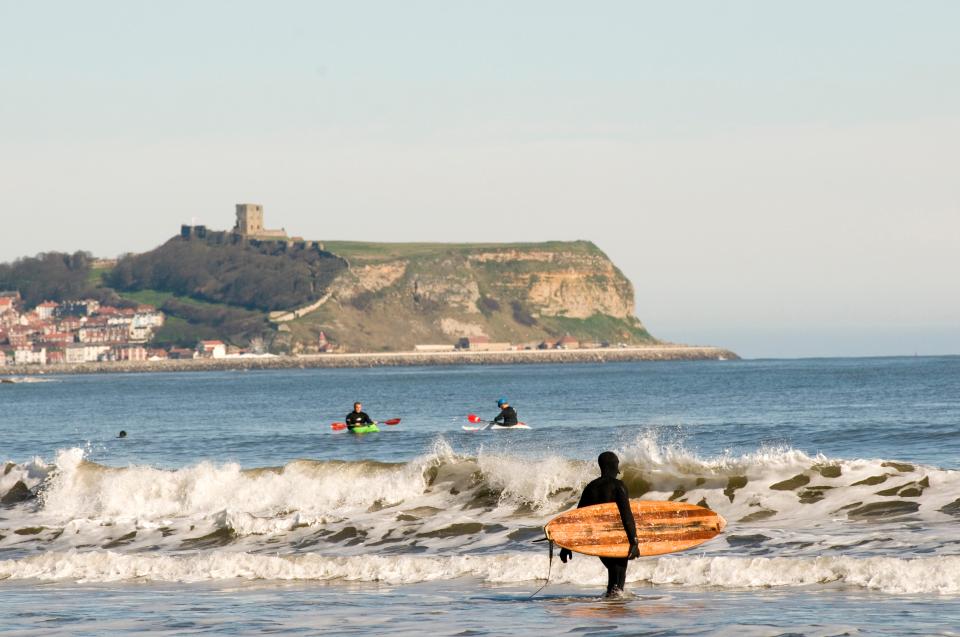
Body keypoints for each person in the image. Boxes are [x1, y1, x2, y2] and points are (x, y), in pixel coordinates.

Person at [560, 451, 640, 597]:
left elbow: (578, 517)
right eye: (617, 465)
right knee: (619, 575)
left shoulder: (590, 488)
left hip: (598, 540)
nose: (618, 470)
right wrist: (634, 541)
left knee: (613, 573)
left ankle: (609, 604)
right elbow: (626, 514)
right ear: (612, 466)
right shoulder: (618, 486)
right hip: (615, 538)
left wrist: (566, 546)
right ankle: (615, 607)